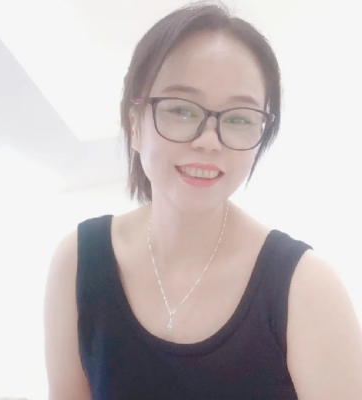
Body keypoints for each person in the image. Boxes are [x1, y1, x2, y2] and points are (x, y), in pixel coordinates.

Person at [43, 2, 362, 399]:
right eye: (180, 109)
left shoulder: (307, 287)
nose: (209, 140)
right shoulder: (78, 262)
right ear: (134, 123)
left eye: (239, 117)